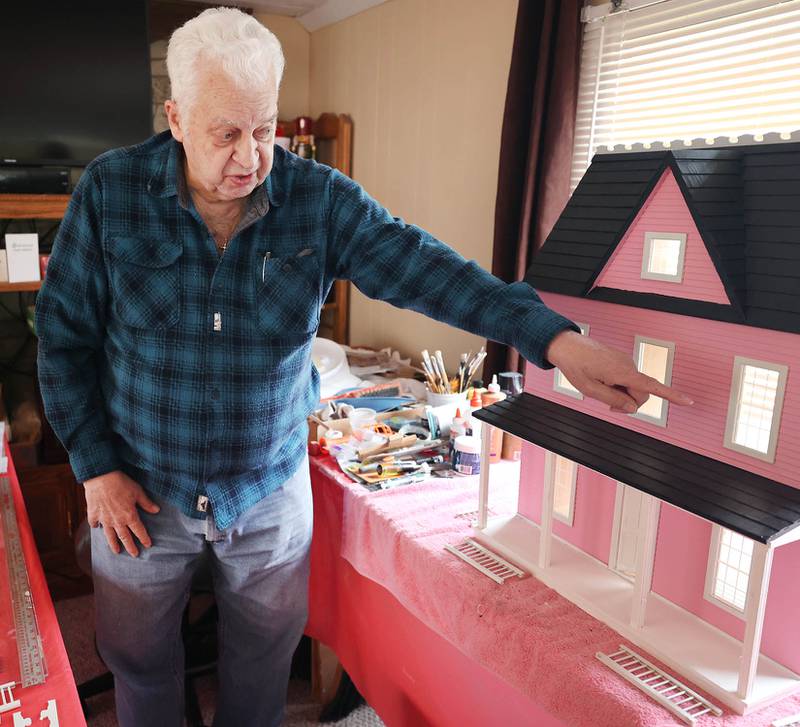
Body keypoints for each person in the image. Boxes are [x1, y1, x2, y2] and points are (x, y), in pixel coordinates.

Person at [35, 8, 691, 727]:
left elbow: (429, 269)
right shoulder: (110, 193)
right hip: (138, 488)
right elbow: (63, 342)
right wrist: (95, 466)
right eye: (226, 133)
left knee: (261, 667)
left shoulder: (317, 201)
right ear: (177, 117)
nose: (250, 157)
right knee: (139, 664)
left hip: (267, 492)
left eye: (265, 128)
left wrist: (555, 341)